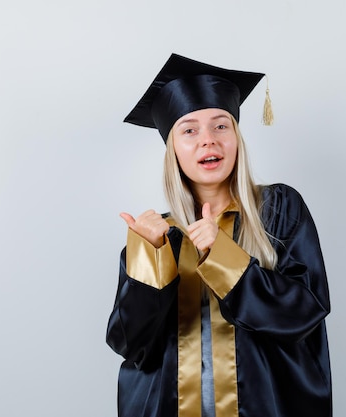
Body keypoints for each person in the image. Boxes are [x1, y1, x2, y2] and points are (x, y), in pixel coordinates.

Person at [106, 53, 332, 417]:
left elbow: (304, 313)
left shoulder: (278, 209)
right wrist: (151, 257)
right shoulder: (157, 236)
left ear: (237, 137)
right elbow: (131, 345)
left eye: (220, 126)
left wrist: (222, 254)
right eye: (190, 129)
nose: (207, 141)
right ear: (173, 150)